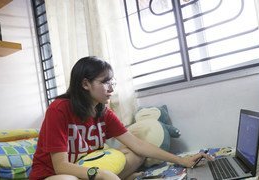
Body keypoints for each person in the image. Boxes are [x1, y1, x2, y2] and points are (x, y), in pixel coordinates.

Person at [29, 56, 212, 180]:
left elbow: (137, 144)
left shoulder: (103, 112)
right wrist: (100, 174)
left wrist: (182, 160)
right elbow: (61, 166)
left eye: (112, 81)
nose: (111, 88)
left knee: (136, 154)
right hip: (55, 174)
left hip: (87, 170)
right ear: (85, 84)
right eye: (104, 82)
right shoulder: (59, 109)